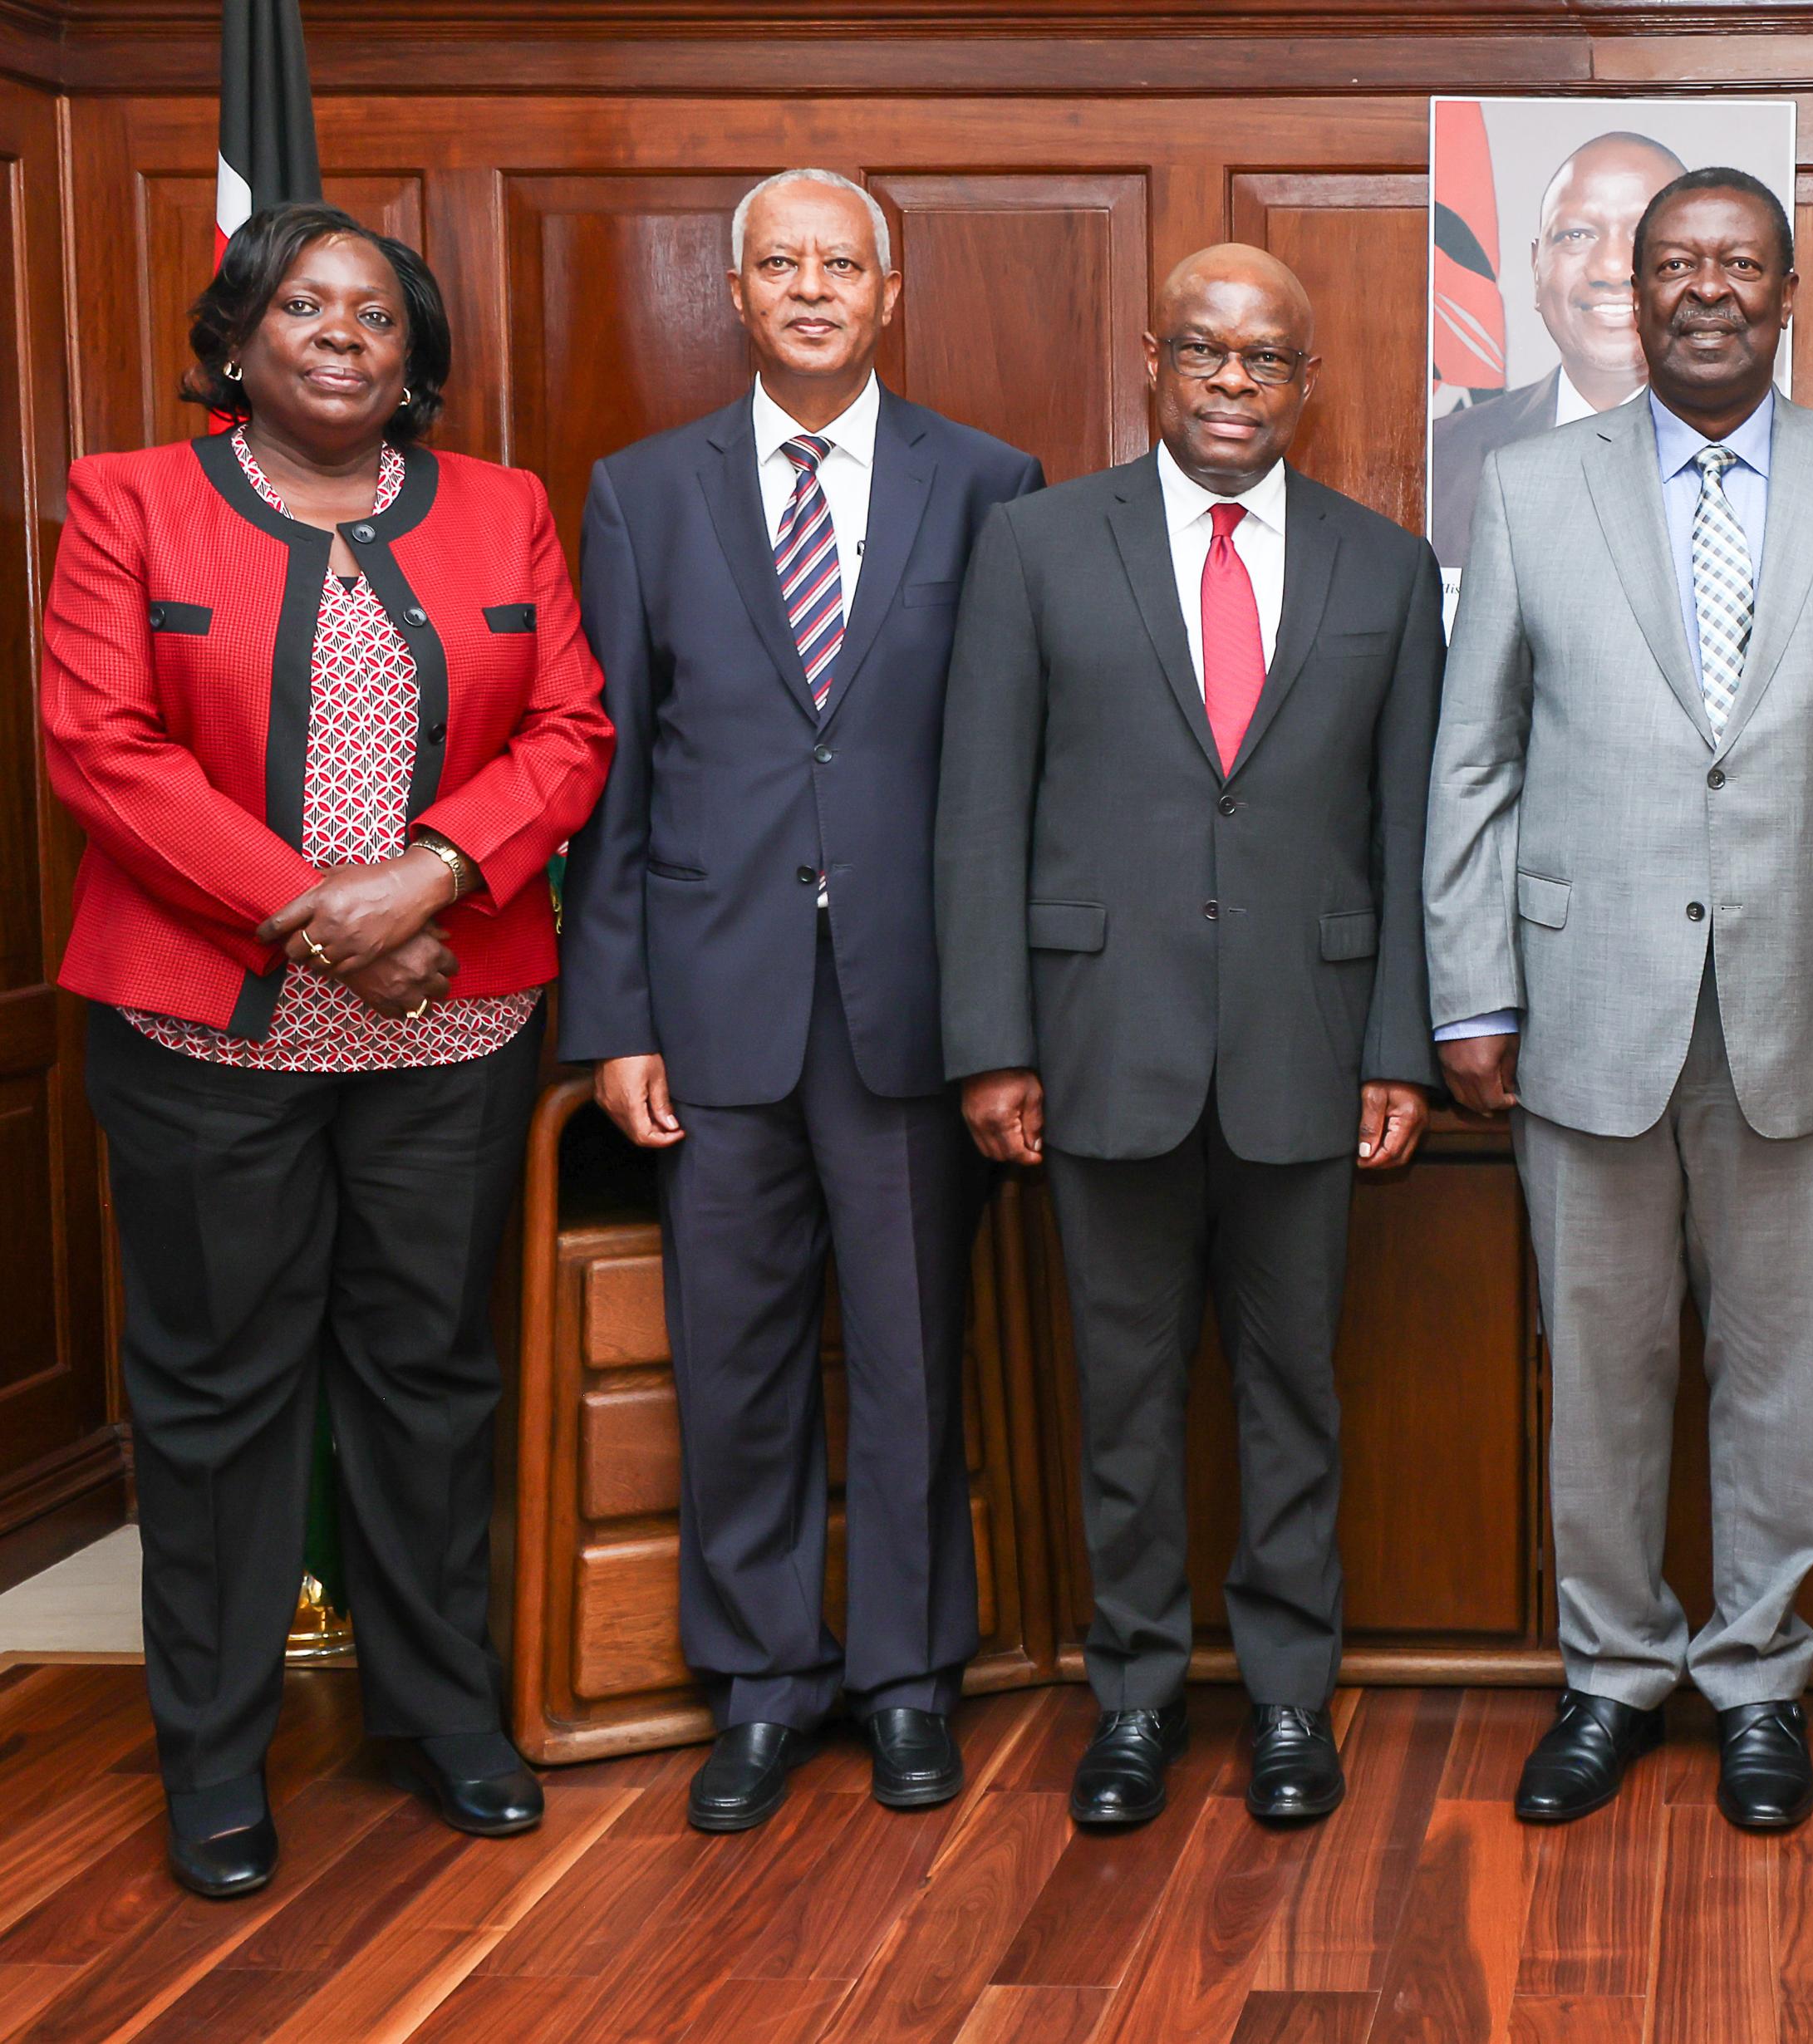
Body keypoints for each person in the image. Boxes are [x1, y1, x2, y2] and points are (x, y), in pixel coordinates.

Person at [39, 204, 614, 1898]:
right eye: (304, 305)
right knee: (220, 1397)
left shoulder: (500, 509)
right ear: (238, 342)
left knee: (431, 1377)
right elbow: (102, 746)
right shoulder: (128, 502)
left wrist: (434, 875)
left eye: (376, 311)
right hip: (202, 1035)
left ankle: (438, 1717)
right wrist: (321, 914)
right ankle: (215, 1759)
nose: (343, 333)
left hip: (456, 1023)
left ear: (414, 355)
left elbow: (574, 729)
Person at [1427, 165, 1813, 1834]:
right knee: (1598, 1370)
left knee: (1772, 1373)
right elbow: (1475, 761)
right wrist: (1467, 989)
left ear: (1785, 290)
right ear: (1626, 295)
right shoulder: (1524, 491)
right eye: (1674, 265)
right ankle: (1608, 1677)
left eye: (1738, 262)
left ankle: (1755, 1685)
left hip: (1803, 1009)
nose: (1705, 288)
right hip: (1580, 1008)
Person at [556, 169, 1044, 1834]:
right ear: (738, 291)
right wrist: (616, 1017)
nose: (816, 289)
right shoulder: (639, 493)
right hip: (715, 1008)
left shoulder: (986, 484)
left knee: (912, 1357)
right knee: (736, 1360)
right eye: (786, 265)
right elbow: (610, 773)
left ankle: (907, 1681)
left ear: (887, 292)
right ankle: (760, 1683)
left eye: (845, 264)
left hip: (914, 1010)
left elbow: (1008, 778)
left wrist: (1004, 1024)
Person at [937, 243, 1443, 1830]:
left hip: (1309, 1043)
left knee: (1296, 1395)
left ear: (1309, 384)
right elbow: (978, 814)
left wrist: (1400, 1048)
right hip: (1098, 1047)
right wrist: (990, 1044)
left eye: (1267, 360)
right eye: (1207, 355)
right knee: (1125, 1394)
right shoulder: (1032, 547)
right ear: (1153, 362)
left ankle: (1294, 1701)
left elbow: (1409, 825)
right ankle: (1137, 1700)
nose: (1234, 384)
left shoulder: (1386, 565)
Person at [1427, 130, 1684, 572]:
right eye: (1577, 234)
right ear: (1536, 268)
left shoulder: (1754, 457)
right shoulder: (1442, 455)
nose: (1611, 268)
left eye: (1648, 235)